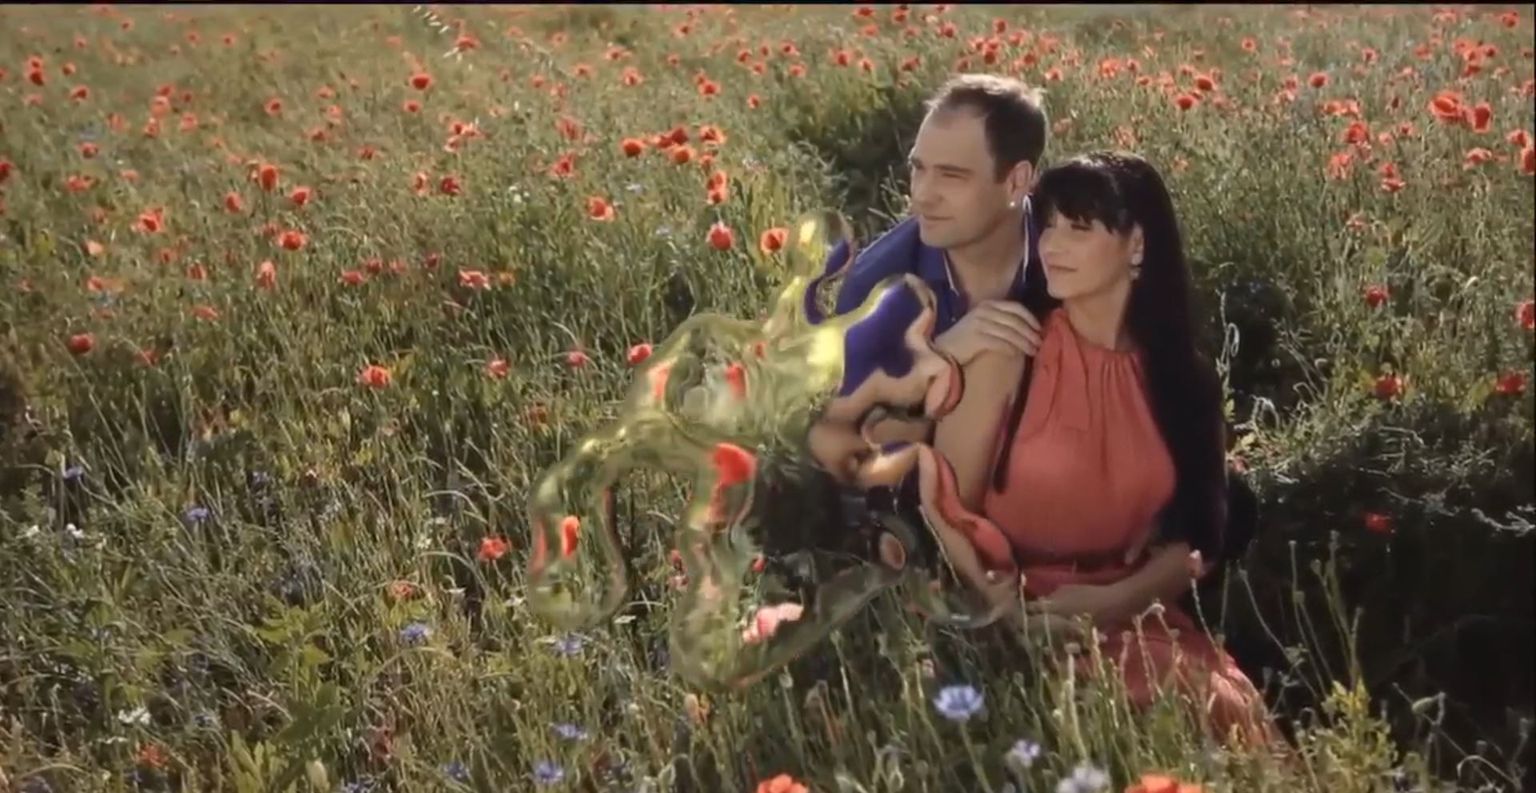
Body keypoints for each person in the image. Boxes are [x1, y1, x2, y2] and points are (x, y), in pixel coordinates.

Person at [926, 150, 1282, 748]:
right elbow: (946, 506)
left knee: (1219, 706)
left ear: (1136, 244)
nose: (1053, 245)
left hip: (1134, 611)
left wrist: (1112, 602)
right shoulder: (1007, 348)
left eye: (1079, 227)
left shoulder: (1182, 380)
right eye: (1048, 226)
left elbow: (1197, 535)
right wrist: (1008, 614)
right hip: (1007, 608)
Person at [826, 73, 1052, 422]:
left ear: (1015, 182)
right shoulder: (874, 289)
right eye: (918, 169)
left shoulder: (1078, 254)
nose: (922, 196)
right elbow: (842, 431)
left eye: (951, 175)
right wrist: (936, 358)